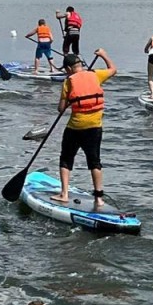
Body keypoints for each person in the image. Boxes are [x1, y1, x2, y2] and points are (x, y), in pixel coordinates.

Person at [52, 49, 117, 207]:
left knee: (66, 159)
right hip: (95, 128)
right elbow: (113, 70)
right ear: (81, 65)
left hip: (75, 127)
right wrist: (103, 55)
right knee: (94, 162)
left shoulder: (68, 82)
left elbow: (61, 109)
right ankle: (99, 198)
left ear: (68, 69)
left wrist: (68, 100)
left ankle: (64, 194)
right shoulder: (95, 75)